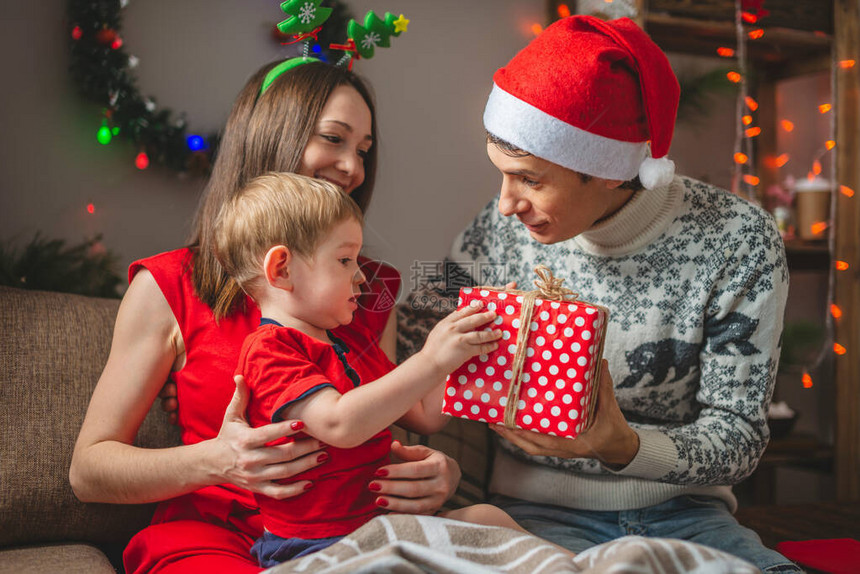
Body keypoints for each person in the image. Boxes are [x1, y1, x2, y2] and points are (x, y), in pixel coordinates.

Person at [404, 15, 798, 573]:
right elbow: (413, 344)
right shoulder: (497, 231)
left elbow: (739, 438)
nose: (505, 204)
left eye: (530, 180)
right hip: (527, 515)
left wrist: (620, 445)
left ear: (610, 171)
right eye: (502, 174)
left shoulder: (737, 241)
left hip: (684, 516)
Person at [69, 60, 464, 574]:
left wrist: (440, 474)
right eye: (333, 139)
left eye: (364, 150)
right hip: (215, 538)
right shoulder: (170, 285)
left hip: (350, 534)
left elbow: (391, 418)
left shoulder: (367, 287)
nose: (354, 168)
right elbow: (89, 469)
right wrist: (217, 460)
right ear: (271, 136)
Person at [213, 171, 535, 566]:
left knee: (489, 519)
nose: (361, 274)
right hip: (317, 547)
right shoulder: (271, 350)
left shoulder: (350, 344)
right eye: (345, 259)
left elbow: (424, 414)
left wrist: (463, 350)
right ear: (282, 268)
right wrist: (430, 358)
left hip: (381, 527)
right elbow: (339, 424)